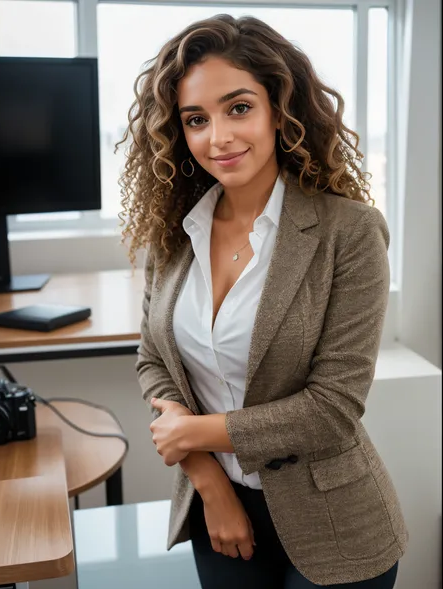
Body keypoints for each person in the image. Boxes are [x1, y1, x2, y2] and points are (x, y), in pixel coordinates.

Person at [116, 14, 408, 589]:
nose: (218, 137)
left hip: (336, 523)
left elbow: (332, 408)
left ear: (280, 108)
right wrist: (208, 480)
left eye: (239, 108)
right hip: (218, 515)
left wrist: (193, 434)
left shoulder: (348, 232)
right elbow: (155, 359)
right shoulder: (175, 235)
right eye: (196, 119)